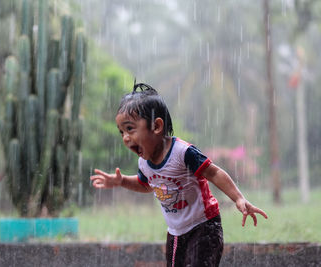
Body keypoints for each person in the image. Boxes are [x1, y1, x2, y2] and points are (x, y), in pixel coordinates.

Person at [90, 82, 268, 267]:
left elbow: (214, 173)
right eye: (121, 132)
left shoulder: (183, 153)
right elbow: (145, 185)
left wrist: (238, 198)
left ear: (157, 126)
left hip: (204, 225)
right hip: (175, 232)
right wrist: (122, 181)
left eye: (130, 129)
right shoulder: (144, 162)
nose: (125, 137)